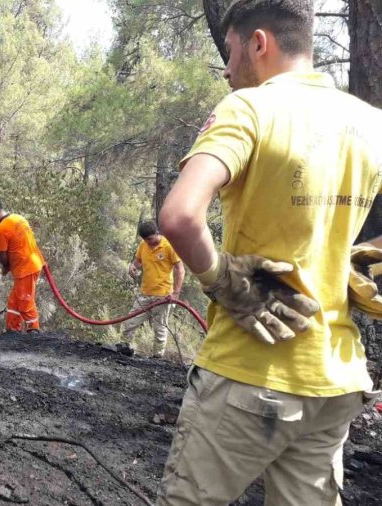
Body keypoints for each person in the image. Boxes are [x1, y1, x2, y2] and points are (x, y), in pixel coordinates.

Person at [156, 0, 382, 503]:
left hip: (250, 374)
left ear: (260, 43)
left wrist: (221, 281)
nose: (228, 69)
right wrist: (358, 253)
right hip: (336, 379)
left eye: (231, 52)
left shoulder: (251, 108)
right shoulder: (372, 123)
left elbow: (180, 216)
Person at [119, 221, 185, 358]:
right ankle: (123, 348)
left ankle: (157, 357)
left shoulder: (169, 246)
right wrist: (133, 266)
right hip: (144, 293)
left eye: (150, 239)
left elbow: (180, 270)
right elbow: (138, 260)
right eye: (145, 239)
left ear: (157, 233)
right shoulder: (143, 245)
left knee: (159, 328)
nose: (148, 242)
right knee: (130, 322)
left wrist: (176, 293)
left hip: (163, 296)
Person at [0, 197, 45, 333]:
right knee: (14, 302)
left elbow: (2, 256)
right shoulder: (18, 218)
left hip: (25, 268)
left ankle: (34, 331)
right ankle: (12, 331)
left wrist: (5, 266)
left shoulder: (1, 229)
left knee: (24, 300)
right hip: (34, 263)